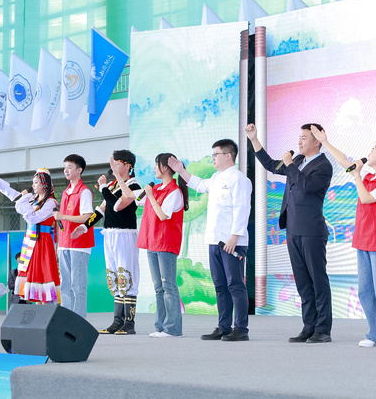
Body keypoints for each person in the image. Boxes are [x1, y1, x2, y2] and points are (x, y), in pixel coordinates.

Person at [310, 126, 376, 348]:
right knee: (365, 291)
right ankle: (373, 332)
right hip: (364, 240)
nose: (369, 153)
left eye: (373, 151)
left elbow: (365, 199)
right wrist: (325, 142)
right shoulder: (370, 177)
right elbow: (345, 162)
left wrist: (356, 176)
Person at [246, 123, 334, 343]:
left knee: (318, 281)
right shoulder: (298, 161)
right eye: (299, 137)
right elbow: (270, 165)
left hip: (312, 231)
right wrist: (254, 139)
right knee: (303, 281)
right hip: (293, 230)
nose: (299, 141)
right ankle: (309, 326)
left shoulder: (323, 165)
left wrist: (290, 165)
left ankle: (323, 329)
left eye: (304, 137)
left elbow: (307, 186)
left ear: (316, 141)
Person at [169, 140, 251, 341]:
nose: (213, 158)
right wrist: (181, 170)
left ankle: (241, 328)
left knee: (235, 285)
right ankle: (224, 326)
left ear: (228, 156)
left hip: (232, 242)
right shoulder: (216, 178)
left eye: (216, 154)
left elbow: (242, 209)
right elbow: (198, 184)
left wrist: (234, 236)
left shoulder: (239, 179)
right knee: (220, 285)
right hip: (214, 241)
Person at [73, 150, 142, 335]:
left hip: (125, 235)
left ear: (128, 165)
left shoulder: (133, 186)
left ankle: (129, 323)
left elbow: (117, 206)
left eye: (117, 162)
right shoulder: (112, 185)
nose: (114, 166)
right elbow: (102, 210)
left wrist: (103, 187)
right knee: (114, 276)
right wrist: (85, 226)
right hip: (110, 234)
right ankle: (117, 321)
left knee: (126, 274)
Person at [0, 167, 61, 304]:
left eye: (36, 182)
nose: (33, 185)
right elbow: (13, 195)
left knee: (43, 276)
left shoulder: (51, 202)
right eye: (33, 182)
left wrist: (22, 201)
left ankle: (45, 310)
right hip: (30, 241)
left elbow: (33, 218)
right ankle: (38, 309)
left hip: (42, 242)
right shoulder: (33, 199)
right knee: (33, 278)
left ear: (44, 184)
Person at [137, 153, 189, 338]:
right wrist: (119, 177)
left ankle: (172, 328)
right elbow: (134, 199)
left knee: (169, 286)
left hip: (166, 243)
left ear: (166, 168)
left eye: (156, 164)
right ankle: (160, 326)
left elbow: (163, 215)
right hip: (152, 243)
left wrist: (151, 196)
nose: (154, 168)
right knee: (158, 287)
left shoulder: (174, 191)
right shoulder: (156, 188)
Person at [53, 154, 95, 319]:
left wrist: (63, 216)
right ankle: (67, 319)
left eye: (69, 167)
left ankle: (79, 321)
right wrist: (59, 245)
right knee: (65, 285)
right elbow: (62, 223)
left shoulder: (84, 192)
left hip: (79, 245)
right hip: (64, 244)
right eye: (65, 167)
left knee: (77, 286)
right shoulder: (65, 193)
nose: (66, 170)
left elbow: (87, 217)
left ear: (79, 170)